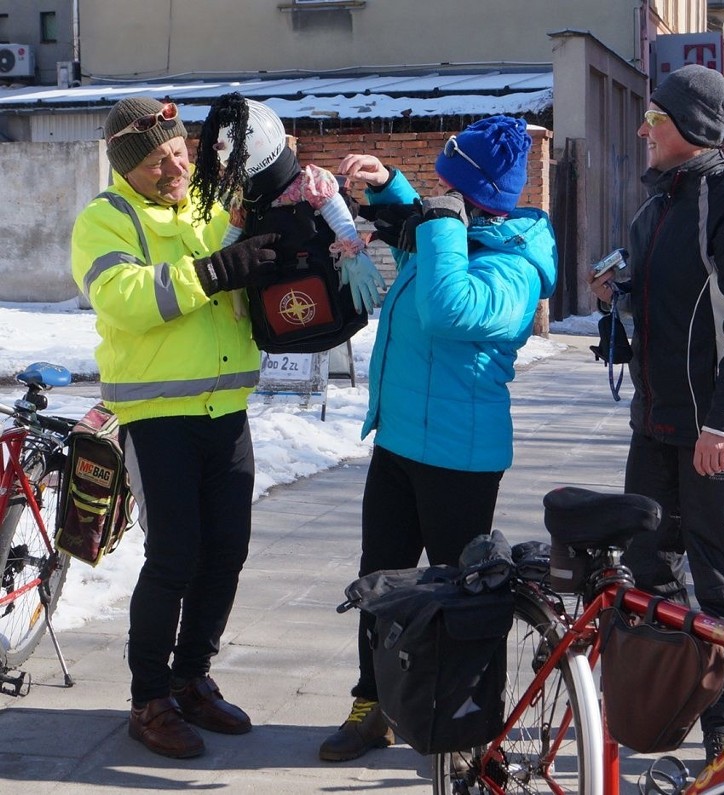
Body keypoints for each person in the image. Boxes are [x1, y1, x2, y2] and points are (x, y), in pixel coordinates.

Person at [318, 115, 558, 762]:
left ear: (478, 197)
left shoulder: (516, 269)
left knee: (461, 601)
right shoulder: (452, 234)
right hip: (398, 440)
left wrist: (443, 222)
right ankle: (372, 705)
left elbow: (447, 308)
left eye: (450, 187)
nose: (438, 195)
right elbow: (412, 251)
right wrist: (393, 187)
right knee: (381, 581)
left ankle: (474, 732)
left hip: (459, 457)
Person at [71, 97, 285, 759]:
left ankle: (192, 677)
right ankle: (150, 699)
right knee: (174, 556)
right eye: (160, 159)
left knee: (226, 550)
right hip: (157, 413)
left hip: (226, 408)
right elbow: (123, 298)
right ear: (128, 166)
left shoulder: (203, 205)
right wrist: (214, 271)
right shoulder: (104, 219)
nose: (176, 164)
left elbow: (248, 247)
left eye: (179, 149)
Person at [589, 64, 724, 764]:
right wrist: (618, 301)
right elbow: (658, 319)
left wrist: (723, 425)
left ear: (689, 129)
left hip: (717, 435)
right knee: (648, 568)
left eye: (654, 120)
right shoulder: (655, 210)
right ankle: (675, 698)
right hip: (657, 424)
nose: (643, 131)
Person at [191, 92, 385, 317]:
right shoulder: (253, 198)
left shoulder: (304, 185)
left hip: (294, 305)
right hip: (287, 307)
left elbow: (229, 240)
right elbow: (229, 244)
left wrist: (353, 251)